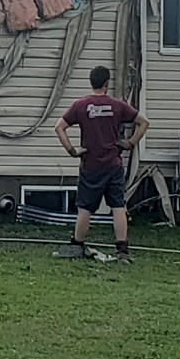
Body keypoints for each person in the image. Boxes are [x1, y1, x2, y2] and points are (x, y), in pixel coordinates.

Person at [52, 65, 150, 263]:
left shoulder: (80, 105)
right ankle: (122, 251)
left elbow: (59, 127)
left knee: (85, 207)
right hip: (113, 165)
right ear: (107, 83)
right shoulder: (118, 105)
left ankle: (77, 245)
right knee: (117, 205)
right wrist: (130, 143)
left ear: (91, 82)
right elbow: (144, 122)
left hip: (91, 165)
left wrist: (72, 151)